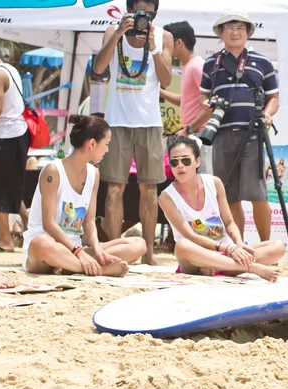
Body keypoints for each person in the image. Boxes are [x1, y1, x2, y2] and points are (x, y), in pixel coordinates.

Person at [92, 0, 174, 265]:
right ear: (128, 11)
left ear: (155, 13)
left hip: (149, 122)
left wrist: (153, 46)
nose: (143, 18)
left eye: (148, 13)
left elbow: (166, 79)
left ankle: (149, 253)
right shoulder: (112, 32)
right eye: (138, 11)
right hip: (117, 121)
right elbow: (99, 68)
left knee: (150, 191)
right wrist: (118, 33)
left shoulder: (164, 36)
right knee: (114, 189)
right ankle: (115, 252)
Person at [22, 115, 146, 276]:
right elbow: (48, 225)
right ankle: (98, 270)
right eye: (106, 144)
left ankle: (73, 266)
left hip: (74, 251)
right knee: (41, 243)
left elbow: (89, 222)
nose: (107, 150)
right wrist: (79, 252)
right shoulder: (53, 171)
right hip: (47, 251)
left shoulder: (93, 174)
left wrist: (96, 248)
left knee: (138, 244)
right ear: (92, 144)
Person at [199, 9, 279, 242]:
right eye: (230, 28)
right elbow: (203, 98)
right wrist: (209, 105)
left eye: (240, 28)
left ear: (248, 33)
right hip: (221, 134)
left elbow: (274, 98)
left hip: (253, 133)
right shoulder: (211, 63)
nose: (235, 32)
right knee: (229, 196)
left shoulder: (262, 62)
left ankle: (265, 247)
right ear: (221, 33)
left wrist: (267, 114)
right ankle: (238, 246)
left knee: (258, 195)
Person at [158, 136, 284, 281]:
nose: (180, 166)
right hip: (195, 259)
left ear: (197, 161)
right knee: (182, 246)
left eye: (186, 160)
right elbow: (190, 236)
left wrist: (239, 244)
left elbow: (229, 222)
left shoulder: (214, 183)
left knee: (277, 246)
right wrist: (228, 248)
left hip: (226, 253)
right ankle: (250, 268)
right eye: (174, 162)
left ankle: (221, 267)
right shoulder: (166, 197)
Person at [0, 40, 30, 253]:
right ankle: (29, 225)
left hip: (7, 135)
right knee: (11, 188)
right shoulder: (9, 69)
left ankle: (5, 239)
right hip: (17, 134)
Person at [160, 21, 212, 174]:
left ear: (179, 43)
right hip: (193, 133)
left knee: (204, 181)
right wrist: (160, 92)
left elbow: (210, 107)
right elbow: (186, 100)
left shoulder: (197, 66)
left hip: (201, 134)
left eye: (167, 43)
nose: (165, 48)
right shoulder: (188, 66)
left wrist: (189, 129)